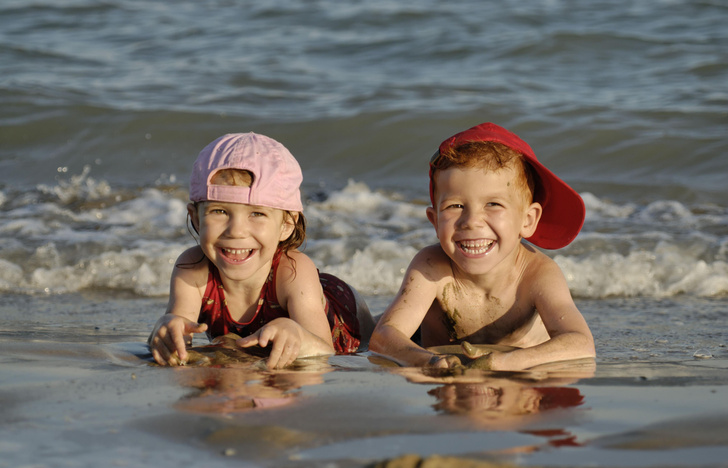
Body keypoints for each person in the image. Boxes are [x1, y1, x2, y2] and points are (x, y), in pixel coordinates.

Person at [369, 122, 595, 371]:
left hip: (518, 388)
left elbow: (580, 344)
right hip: (446, 385)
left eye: (493, 204)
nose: (471, 222)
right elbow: (383, 337)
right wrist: (427, 361)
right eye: (455, 206)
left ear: (527, 220)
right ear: (434, 221)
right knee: (365, 324)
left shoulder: (536, 274)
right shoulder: (432, 267)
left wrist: (503, 362)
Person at [148, 132, 374, 368]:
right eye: (219, 211)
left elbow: (325, 351)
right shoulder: (192, 268)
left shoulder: (293, 272)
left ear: (287, 224)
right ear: (195, 217)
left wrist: (297, 334)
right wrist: (166, 329)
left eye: (257, 213)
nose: (236, 231)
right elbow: (180, 331)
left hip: (345, 317)